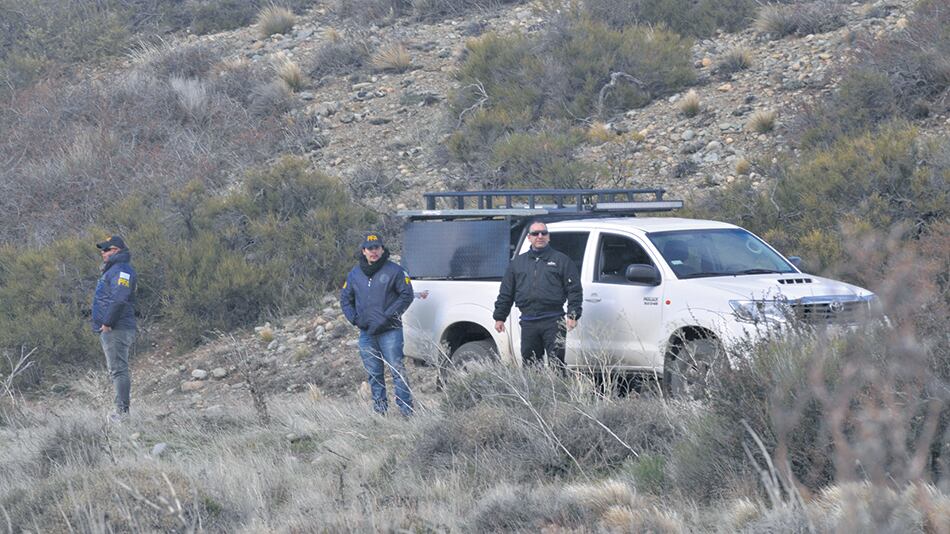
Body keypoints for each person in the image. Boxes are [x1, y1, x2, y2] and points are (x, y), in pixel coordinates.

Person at [340, 232, 415, 416]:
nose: (373, 252)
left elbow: (407, 295)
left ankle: (407, 412)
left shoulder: (395, 271)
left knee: (397, 371)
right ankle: (380, 412)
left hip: (390, 330)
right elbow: (345, 299)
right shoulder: (355, 274)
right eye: (369, 248)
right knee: (374, 375)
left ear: (382, 249)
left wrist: (387, 316)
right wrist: (355, 319)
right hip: (367, 334)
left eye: (377, 248)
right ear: (363, 251)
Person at [493, 221, 583, 369]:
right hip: (528, 322)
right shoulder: (518, 263)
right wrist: (499, 317)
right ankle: (534, 393)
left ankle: (558, 392)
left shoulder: (562, 260)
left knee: (557, 365)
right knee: (531, 366)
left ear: (549, 237)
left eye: (543, 233)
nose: (539, 236)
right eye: (535, 233)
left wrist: (573, 315)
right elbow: (506, 292)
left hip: (553, 321)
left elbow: (574, 290)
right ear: (529, 237)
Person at [91, 235, 137, 422]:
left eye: (106, 249)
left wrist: (107, 323)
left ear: (116, 250)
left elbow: (120, 298)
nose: (103, 253)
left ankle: (122, 413)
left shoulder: (122, 270)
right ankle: (120, 411)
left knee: (118, 370)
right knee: (116, 369)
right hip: (113, 327)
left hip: (116, 327)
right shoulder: (113, 270)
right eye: (102, 250)